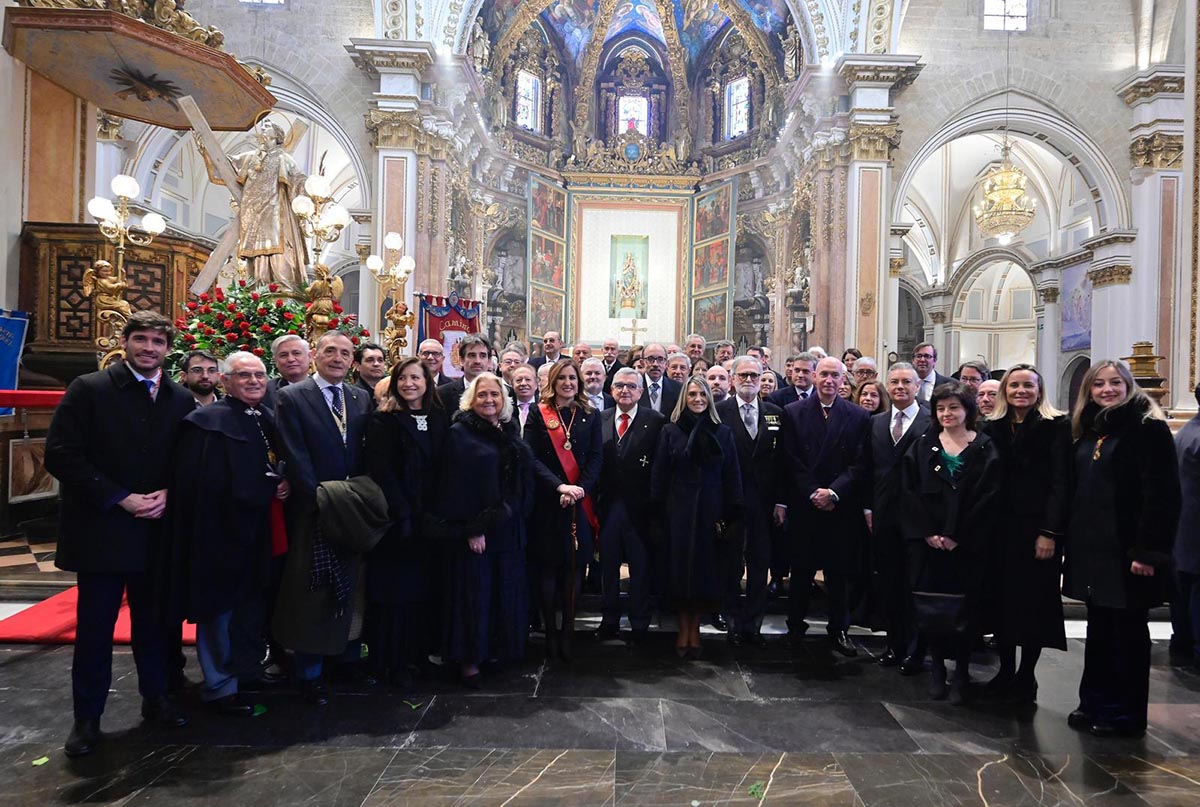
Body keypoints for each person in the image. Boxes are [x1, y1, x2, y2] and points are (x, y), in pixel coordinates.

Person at [45, 311, 195, 757]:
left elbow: (188, 459)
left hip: (157, 531)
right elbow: (62, 455)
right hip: (103, 529)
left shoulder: (180, 398)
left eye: (158, 342)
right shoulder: (89, 389)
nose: (149, 348)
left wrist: (171, 491)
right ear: (126, 342)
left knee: (154, 625)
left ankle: (156, 700)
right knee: (96, 629)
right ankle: (87, 720)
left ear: (169, 350)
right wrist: (120, 497)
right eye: (141, 339)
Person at [1065, 360, 1180, 737]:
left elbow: (1161, 495)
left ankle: (1126, 713)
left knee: (1128, 635)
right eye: (1098, 384)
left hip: (1128, 553)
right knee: (1099, 630)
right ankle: (1094, 701)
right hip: (1094, 550)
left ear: (1128, 386)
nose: (1106, 389)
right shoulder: (1090, 429)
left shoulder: (1148, 429)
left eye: (1115, 382)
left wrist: (1147, 552)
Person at [170, 351, 289, 717]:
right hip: (219, 532)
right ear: (225, 382)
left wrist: (282, 483)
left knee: (253, 606)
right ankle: (220, 685)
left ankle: (247, 670)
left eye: (258, 375)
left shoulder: (266, 418)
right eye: (243, 376)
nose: (254, 381)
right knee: (219, 610)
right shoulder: (206, 422)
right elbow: (198, 485)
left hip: (258, 531)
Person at [272, 330, 373, 706]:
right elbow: (294, 453)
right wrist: (321, 497)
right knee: (314, 589)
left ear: (352, 361)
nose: (337, 358)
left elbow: (363, 450)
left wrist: (358, 498)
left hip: (352, 508)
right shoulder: (292, 396)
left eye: (345, 353)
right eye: (330, 351)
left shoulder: (359, 397)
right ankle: (310, 672)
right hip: (315, 508)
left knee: (352, 584)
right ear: (315, 354)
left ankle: (346, 660)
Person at [901, 382, 1002, 704]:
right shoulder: (922, 445)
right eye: (941, 408)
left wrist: (959, 536)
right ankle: (937, 670)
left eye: (954, 408)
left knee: (967, 609)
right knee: (932, 609)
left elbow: (990, 497)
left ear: (967, 411)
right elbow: (909, 492)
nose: (947, 414)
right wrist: (929, 532)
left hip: (967, 545)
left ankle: (961, 671)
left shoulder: (985, 447)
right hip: (930, 545)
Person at [434, 373, 533, 686]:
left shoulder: (508, 429)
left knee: (501, 592)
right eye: (482, 395)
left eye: (495, 395)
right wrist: (473, 529)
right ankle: (469, 660)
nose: (489, 400)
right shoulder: (459, 433)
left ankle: (493, 650)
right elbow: (453, 485)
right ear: (470, 400)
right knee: (475, 595)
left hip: (508, 526)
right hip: (479, 528)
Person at [983, 364, 1070, 703]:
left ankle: (1027, 675)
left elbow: (1061, 483)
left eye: (1028, 386)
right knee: (1002, 603)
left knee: (1034, 605)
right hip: (1000, 530)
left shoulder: (1055, 426)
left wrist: (1049, 532)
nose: (1021, 391)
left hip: (1037, 531)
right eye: (1014, 385)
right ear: (1005, 390)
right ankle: (1005, 670)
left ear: (1039, 390)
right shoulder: (992, 428)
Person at [774, 357, 870, 656]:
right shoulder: (793, 412)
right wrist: (813, 491)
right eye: (824, 374)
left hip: (840, 506)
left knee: (838, 573)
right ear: (814, 377)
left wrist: (833, 491)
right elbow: (790, 459)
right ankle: (794, 628)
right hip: (805, 503)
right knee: (801, 571)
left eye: (836, 375)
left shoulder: (858, 415)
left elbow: (859, 462)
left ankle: (838, 629)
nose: (829, 380)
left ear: (845, 380)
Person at [363, 356, 449, 689]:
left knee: (426, 590)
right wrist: (404, 511)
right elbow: (381, 471)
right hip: (399, 521)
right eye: (403, 378)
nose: (409, 384)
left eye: (416, 378)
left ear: (428, 383)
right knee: (396, 593)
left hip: (432, 521)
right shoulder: (383, 421)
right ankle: (392, 660)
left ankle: (420, 655)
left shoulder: (439, 418)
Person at [652, 376, 742, 658]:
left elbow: (732, 475)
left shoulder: (723, 432)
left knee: (705, 571)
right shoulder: (670, 430)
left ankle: (697, 630)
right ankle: (683, 629)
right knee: (680, 571)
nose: (698, 399)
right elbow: (659, 474)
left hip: (710, 511)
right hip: (678, 510)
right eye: (692, 395)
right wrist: (658, 512)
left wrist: (731, 514)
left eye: (702, 395)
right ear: (684, 398)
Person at [523, 360, 602, 661]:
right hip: (549, 502)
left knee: (573, 569)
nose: (568, 383)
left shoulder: (589, 414)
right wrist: (559, 487)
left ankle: (568, 630)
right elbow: (530, 457)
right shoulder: (537, 412)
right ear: (552, 381)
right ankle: (550, 633)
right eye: (562, 378)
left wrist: (580, 488)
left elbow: (596, 457)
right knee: (547, 568)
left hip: (579, 503)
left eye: (573, 378)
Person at [867, 363, 930, 675]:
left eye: (907, 382)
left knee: (915, 585)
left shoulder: (932, 422)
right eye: (894, 382)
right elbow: (867, 468)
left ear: (917, 387)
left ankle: (917, 651)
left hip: (919, 519)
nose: (900, 387)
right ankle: (894, 645)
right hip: (883, 515)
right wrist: (868, 508)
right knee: (890, 583)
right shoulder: (877, 422)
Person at [595, 369, 665, 643]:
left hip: (641, 508)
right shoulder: (599, 419)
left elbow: (660, 466)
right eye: (619, 386)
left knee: (640, 567)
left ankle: (639, 622)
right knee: (608, 567)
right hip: (609, 505)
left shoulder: (656, 420)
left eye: (631, 386)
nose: (625, 390)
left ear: (640, 391)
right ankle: (609, 619)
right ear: (611, 390)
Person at [716, 356, 781, 645]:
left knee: (760, 562)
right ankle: (730, 617)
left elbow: (783, 462)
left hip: (764, 502)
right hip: (730, 501)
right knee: (729, 562)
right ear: (732, 379)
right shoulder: (718, 412)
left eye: (755, 375)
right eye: (743, 375)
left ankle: (753, 620)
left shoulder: (775, 413)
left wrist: (782, 501)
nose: (749, 380)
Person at [1173, 385, 1200, 669]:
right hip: (1194, 526)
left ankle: (1181, 640)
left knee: (1185, 587)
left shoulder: (1187, 431)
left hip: (1186, 527)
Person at [438, 335, 492, 412]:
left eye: (482, 356)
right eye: (472, 355)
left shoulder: (503, 392)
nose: (477, 361)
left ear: (489, 361)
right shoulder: (442, 394)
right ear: (461, 360)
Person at [263, 333, 311, 411]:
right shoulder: (265, 391)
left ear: (310, 357)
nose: (291, 359)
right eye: (283, 355)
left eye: (296, 353)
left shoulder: (323, 385)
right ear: (275, 361)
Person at [641, 343, 681, 415]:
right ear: (642, 363)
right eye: (650, 359)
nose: (655, 364)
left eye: (660, 359)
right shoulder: (634, 386)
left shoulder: (677, 388)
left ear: (666, 363)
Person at [512, 364, 538, 435]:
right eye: (518, 380)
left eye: (528, 380)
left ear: (536, 384)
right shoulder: (507, 407)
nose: (523, 383)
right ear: (512, 385)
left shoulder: (544, 406)